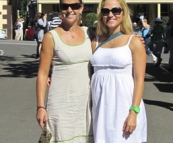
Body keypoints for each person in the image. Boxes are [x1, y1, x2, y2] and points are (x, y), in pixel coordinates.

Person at [36, 0, 95, 142]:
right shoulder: (51, 37)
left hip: (85, 104)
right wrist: (40, 106)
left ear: (81, 8)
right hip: (61, 105)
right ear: (60, 9)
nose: (69, 10)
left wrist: (133, 38)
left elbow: (111, 46)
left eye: (74, 6)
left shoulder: (90, 33)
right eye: (65, 6)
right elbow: (43, 74)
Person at [90, 0, 147, 142]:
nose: (110, 15)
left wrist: (134, 112)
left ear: (123, 13)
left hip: (125, 108)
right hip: (101, 108)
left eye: (115, 10)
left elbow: (139, 79)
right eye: (105, 11)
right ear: (101, 15)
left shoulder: (134, 41)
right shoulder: (94, 42)